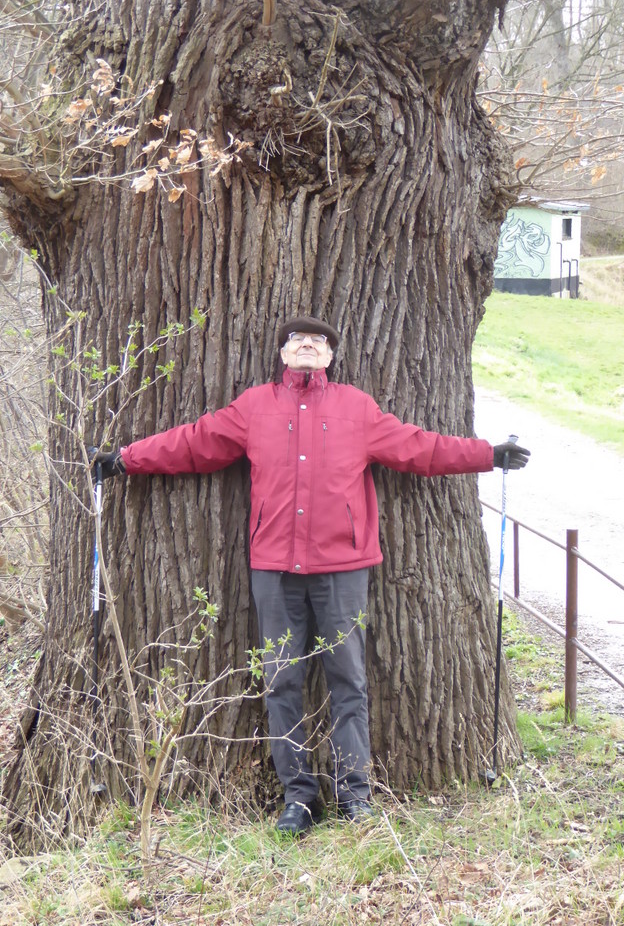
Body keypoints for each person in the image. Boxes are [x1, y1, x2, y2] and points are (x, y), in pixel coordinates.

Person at [91, 316, 529, 836]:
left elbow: (421, 447)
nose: (307, 345)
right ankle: (298, 798)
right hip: (274, 570)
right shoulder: (254, 407)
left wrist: (488, 455)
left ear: (329, 358)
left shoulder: (356, 409)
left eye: (318, 341)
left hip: (342, 569)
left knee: (349, 681)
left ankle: (354, 795)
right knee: (281, 682)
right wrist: (125, 460)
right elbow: (193, 442)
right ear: (282, 354)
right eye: (298, 339)